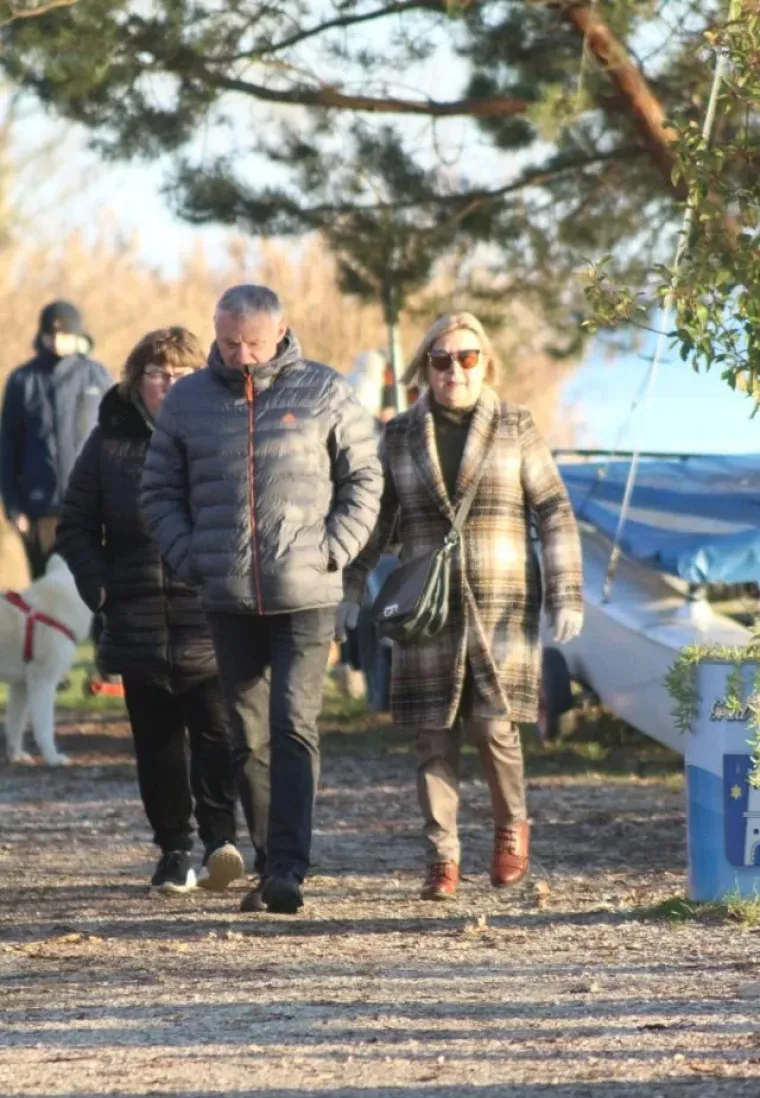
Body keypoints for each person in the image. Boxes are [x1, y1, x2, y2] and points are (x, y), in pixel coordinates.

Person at [140, 285, 383, 914]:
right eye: (228, 343)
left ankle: (289, 869)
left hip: (306, 592)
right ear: (215, 334)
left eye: (252, 342)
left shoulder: (325, 390)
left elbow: (365, 477)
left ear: (279, 333)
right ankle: (270, 859)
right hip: (226, 594)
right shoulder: (189, 401)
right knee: (246, 736)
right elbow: (158, 491)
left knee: (293, 724)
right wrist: (191, 557)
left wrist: (336, 548)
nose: (241, 355)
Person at [338, 312, 584, 901]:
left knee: (494, 727)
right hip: (426, 608)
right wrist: (349, 591)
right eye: (442, 359)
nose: (455, 370)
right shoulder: (398, 435)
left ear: (486, 363)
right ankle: (442, 856)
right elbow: (375, 524)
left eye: (467, 358)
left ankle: (509, 829)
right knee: (432, 735)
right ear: (425, 367)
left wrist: (565, 591)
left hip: (501, 602)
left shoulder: (516, 425)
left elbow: (553, 509)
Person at [56, 327, 245, 895]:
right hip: (136, 616)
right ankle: (174, 851)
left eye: (182, 374)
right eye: (157, 373)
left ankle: (220, 842)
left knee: (216, 736)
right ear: (136, 381)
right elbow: (75, 525)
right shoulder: (105, 445)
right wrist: (101, 590)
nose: (168, 383)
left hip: (207, 613)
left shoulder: (220, 435)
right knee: (157, 745)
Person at [0, 301, 112, 579]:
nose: (58, 341)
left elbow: (118, 442)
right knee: (48, 598)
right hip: (41, 511)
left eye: (65, 335)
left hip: (92, 509)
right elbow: (7, 449)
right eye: (52, 335)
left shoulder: (97, 376)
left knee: (93, 595)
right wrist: (13, 509)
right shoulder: (22, 380)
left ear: (78, 335)